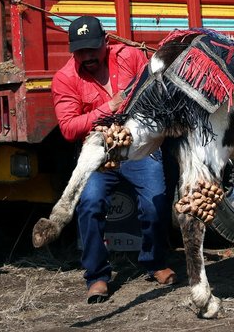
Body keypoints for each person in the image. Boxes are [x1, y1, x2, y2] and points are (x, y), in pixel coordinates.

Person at [51, 15, 176, 304]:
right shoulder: (65, 78)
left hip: (138, 147)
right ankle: (96, 275)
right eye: (80, 51)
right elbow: (68, 128)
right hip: (98, 155)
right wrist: (109, 107)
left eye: (92, 49)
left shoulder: (131, 57)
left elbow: (155, 91)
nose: (87, 57)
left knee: (156, 201)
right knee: (89, 203)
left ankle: (154, 261)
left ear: (106, 42)